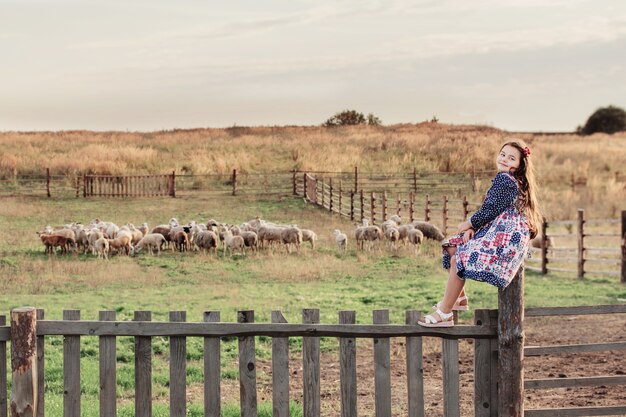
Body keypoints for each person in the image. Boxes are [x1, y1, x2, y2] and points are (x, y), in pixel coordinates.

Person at [419, 140, 542, 327]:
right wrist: (473, 228)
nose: (504, 160)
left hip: (504, 237)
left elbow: (490, 209)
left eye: (511, 158)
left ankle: (445, 313)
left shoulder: (505, 180)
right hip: (498, 231)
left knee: (458, 258)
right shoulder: (512, 181)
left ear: (519, 165)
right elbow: (493, 209)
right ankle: (458, 299)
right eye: (502, 154)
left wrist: (469, 223)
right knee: (453, 245)